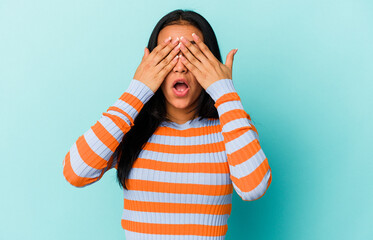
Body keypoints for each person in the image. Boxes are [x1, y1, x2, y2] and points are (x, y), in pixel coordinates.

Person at [63, 9, 272, 239]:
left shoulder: (231, 127)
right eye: (168, 55)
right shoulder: (129, 129)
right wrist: (137, 89)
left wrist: (224, 92)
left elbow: (254, 187)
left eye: (192, 55)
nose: (180, 67)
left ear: (210, 64)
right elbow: (76, 172)